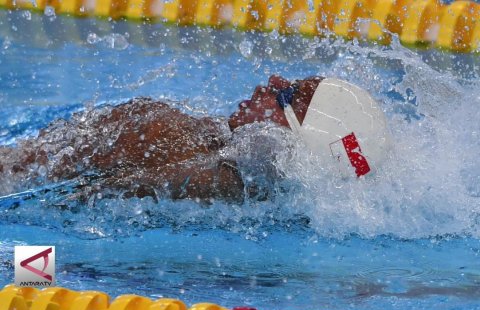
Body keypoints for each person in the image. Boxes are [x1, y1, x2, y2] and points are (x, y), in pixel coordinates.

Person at [0, 75, 385, 204]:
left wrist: (18, 267)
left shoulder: (163, 133)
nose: (274, 81)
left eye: (290, 94)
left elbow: (62, 206)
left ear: (291, 137)